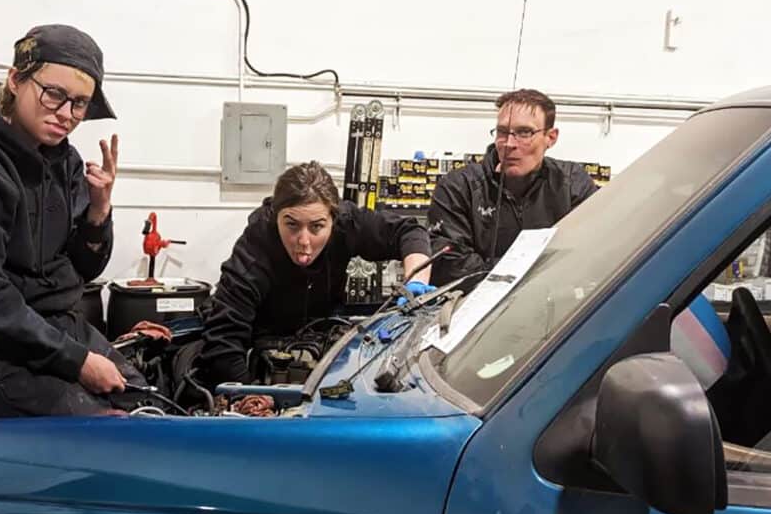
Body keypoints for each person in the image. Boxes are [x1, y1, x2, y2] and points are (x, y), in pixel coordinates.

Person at [0, 24, 145, 417]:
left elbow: (82, 270)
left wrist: (99, 213)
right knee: (108, 438)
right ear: (16, 80)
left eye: (80, 104)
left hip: (56, 328)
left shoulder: (63, 162)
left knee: (147, 408)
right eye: (55, 94)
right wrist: (77, 361)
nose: (66, 114)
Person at [195, 161, 434, 388]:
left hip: (323, 346)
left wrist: (416, 281)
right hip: (262, 351)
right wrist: (252, 400)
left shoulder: (347, 224)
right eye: (292, 225)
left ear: (333, 218)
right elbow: (223, 342)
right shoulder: (255, 249)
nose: (304, 242)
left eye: (317, 227)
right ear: (275, 216)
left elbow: (409, 232)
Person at [428, 88, 598, 286]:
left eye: (524, 133)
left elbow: (590, 252)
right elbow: (449, 265)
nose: (509, 143)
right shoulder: (459, 188)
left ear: (550, 137)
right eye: (502, 132)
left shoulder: (571, 183)